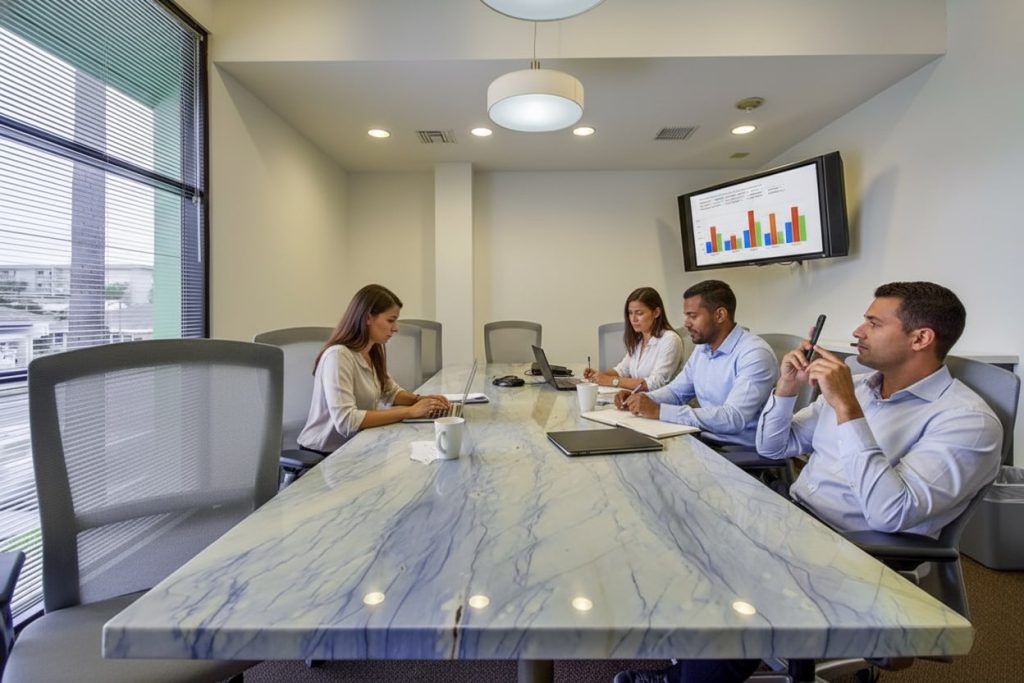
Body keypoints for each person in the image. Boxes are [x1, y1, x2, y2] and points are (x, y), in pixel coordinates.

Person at [613, 282, 1003, 683]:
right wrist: (785, 390)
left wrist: (847, 408)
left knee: (735, 581)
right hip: (792, 517)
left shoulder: (965, 422)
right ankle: (685, 663)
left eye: (872, 323)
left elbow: (891, 513)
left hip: (854, 549)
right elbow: (772, 445)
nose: (857, 332)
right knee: (675, 525)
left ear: (921, 338)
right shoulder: (866, 387)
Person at [618, 280, 778, 449]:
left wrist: (660, 411)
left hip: (737, 449)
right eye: (686, 316)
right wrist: (640, 399)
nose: (686, 323)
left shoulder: (754, 354)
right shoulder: (703, 349)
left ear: (720, 315)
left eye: (693, 316)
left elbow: (733, 418)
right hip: (703, 438)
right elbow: (676, 392)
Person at [296, 284, 451, 454]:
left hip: (357, 446)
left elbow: (390, 392)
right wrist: (410, 412)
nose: (396, 327)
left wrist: (422, 400)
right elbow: (347, 421)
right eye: (390, 320)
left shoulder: (372, 351)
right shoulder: (338, 356)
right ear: (368, 318)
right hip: (324, 455)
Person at [583, 286, 684, 392]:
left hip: (658, 404)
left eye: (639, 313)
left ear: (656, 313)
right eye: (630, 313)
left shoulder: (670, 340)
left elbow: (654, 384)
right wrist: (599, 375)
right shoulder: (639, 339)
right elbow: (622, 370)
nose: (633, 319)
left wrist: (612, 381)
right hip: (637, 399)